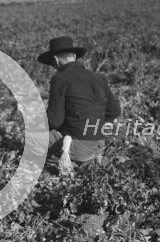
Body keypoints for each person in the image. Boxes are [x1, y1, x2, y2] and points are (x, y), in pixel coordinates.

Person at [30, 36, 121, 165]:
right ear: (74, 56)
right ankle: (92, 158)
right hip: (100, 143)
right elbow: (115, 111)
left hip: (80, 147)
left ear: (55, 60)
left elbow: (54, 121)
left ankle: (66, 163)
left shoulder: (60, 79)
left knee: (33, 139)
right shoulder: (97, 77)